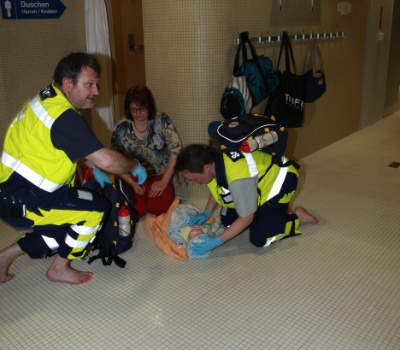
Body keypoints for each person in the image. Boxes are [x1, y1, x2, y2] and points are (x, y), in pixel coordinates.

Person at [0, 52, 147, 285]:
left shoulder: (48, 99)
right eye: (89, 84)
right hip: (26, 201)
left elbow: (65, 146)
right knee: (95, 209)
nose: (96, 91)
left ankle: (4, 257)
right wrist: (134, 165)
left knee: (69, 224)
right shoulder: (63, 118)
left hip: (13, 194)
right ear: (68, 83)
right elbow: (108, 161)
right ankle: (59, 268)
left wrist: (93, 168)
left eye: (96, 84)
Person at [174, 141, 318, 257]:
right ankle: (274, 212)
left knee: (260, 239)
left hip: (279, 180)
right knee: (227, 222)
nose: (194, 183)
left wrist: (216, 242)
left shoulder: (238, 179)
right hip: (255, 182)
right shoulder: (213, 160)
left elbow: (246, 218)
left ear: (205, 168)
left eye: (194, 179)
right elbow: (217, 189)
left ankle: (296, 217)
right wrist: (206, 212)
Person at [111, 85, 183, 219]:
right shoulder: (121, 127)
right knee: (136, 211)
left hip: (158, 174)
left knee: (160, 210)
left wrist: (164, 181)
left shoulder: (161, 120)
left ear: (149, 106)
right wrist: (132, 183)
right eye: (134, 109)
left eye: (142, 108)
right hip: (131, 175)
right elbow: (115, 160)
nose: (138, 113)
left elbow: (176, 150)